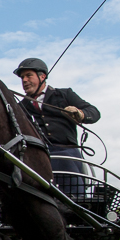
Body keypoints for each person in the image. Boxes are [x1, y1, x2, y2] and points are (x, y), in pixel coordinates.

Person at [14, 58, 100, 195]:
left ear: (42, 76)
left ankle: (76, 204)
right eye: (22, 77)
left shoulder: (65, 95)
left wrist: (80, 114)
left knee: (64, 161)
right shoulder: (20, 107)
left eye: (28, 75)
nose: (24, 80)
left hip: (67, 152)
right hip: (37, 155)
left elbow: (94, 112)